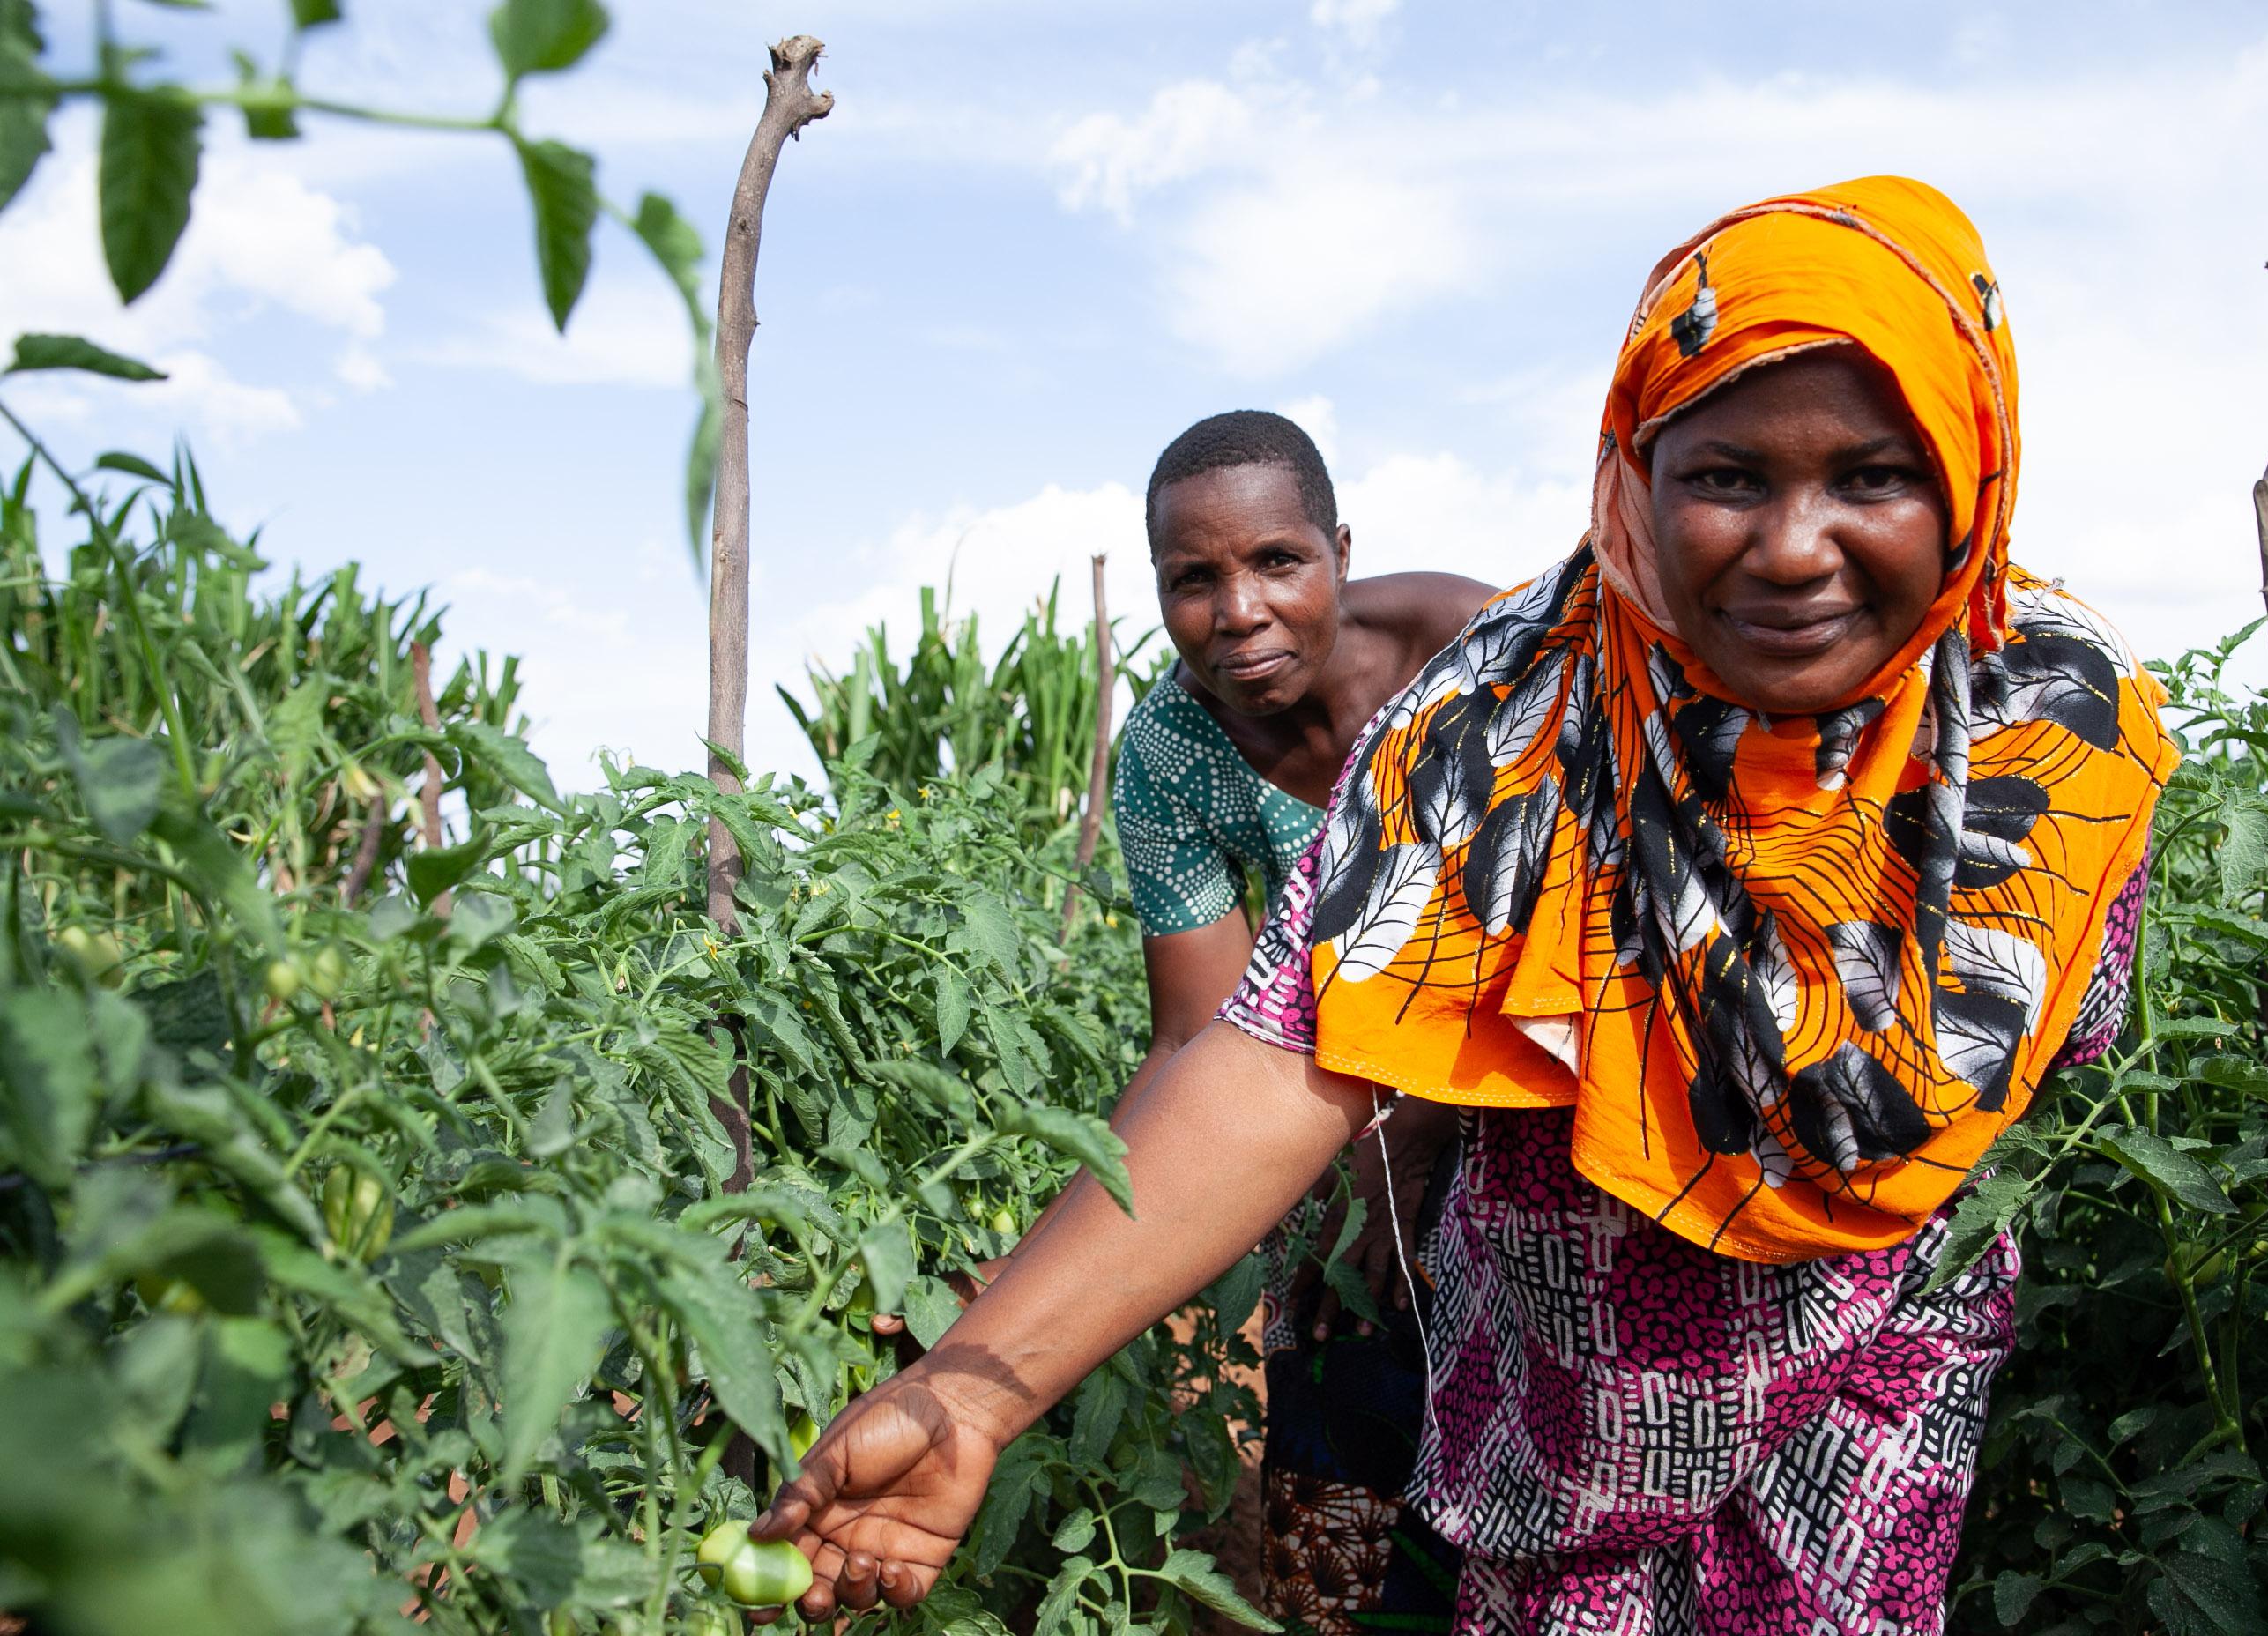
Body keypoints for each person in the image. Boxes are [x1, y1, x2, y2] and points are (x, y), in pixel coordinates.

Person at [753, 177, 2177, 1634]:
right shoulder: (1520, 705)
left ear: (1969, 470)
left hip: (1869, 1399)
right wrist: (967, 1392)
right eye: (1728, 477)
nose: (1792, 545)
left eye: (1872, 476)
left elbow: (1972, 1081)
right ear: (1637, 473)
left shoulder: (2042, 724)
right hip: (1569, 1397)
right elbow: (1283, 1043)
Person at [1028, 409, 1491, 1629]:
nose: (1237, 612)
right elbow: (1196, 1032)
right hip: (1314, 1147)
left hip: (1528, 1130)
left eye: (1277, 562)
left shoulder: (1472, 652)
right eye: (1195, 579)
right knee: (1333, 1497)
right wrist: (1065, 1250)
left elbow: (1582, 938)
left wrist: (1423, 1124)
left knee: (1516, 1485)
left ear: (1338, 548)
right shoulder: (1174, 750)